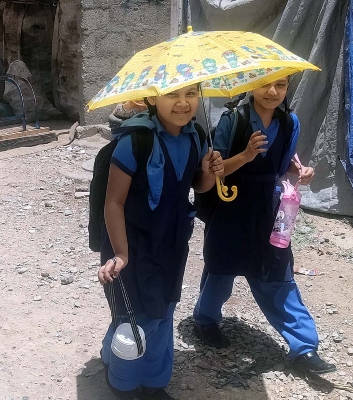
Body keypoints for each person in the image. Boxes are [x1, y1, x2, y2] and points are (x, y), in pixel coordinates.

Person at [192, 77, 336, 376]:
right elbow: (215, 172)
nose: (272, 92)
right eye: (265, 84)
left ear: (287, 89)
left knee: (277, 273)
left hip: (270, 208)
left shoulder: (289, 122)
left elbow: (282, 165)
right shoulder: (233, 119)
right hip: (231, 203)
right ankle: (205, 320)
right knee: (222, 267)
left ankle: (304, 347)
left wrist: (301, 171)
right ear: (251, 86)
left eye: (280, 85)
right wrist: (245, 156)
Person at [98, 83, 224, 400]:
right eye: (172, 95)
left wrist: (210, 172)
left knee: (164, 307)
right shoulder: (135, 141)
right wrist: (121, 254)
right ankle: (122, 382)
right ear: (154, 98)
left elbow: (198, 185)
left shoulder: (195, 136)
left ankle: (153, 381)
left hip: (173, 240)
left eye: (191, 94)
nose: (182, 103)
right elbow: (113, 203)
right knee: (139, 316)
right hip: (134, 243)